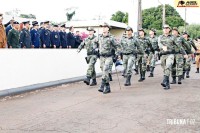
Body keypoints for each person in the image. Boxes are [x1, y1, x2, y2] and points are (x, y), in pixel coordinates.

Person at [158, 24, 187, 90]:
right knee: (165, 69)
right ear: (162, 29)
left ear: (169, 29)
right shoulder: (160, 37)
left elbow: (179, 46)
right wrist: (162, 47)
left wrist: (184, 53)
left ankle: (164, 81)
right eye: (164, 28)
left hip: (170, 54)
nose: (165, 29)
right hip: (163, 55)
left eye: (167, 28)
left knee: (168, 66)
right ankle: (167, 85)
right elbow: (159, 44)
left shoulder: (172, 37)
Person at [98, 22, 121, 94]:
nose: (103, 28)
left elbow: (118, 46)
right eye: (103, 27)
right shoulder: (99, 37)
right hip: (102, 57)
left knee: (105, 69)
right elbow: (94, 44)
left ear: (108, 28)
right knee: (104, 72)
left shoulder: (111, 38)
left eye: (105, 27)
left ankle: (102, 84)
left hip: (109, 57)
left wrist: (116, 55)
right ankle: (107, 86)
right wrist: (95, 49)